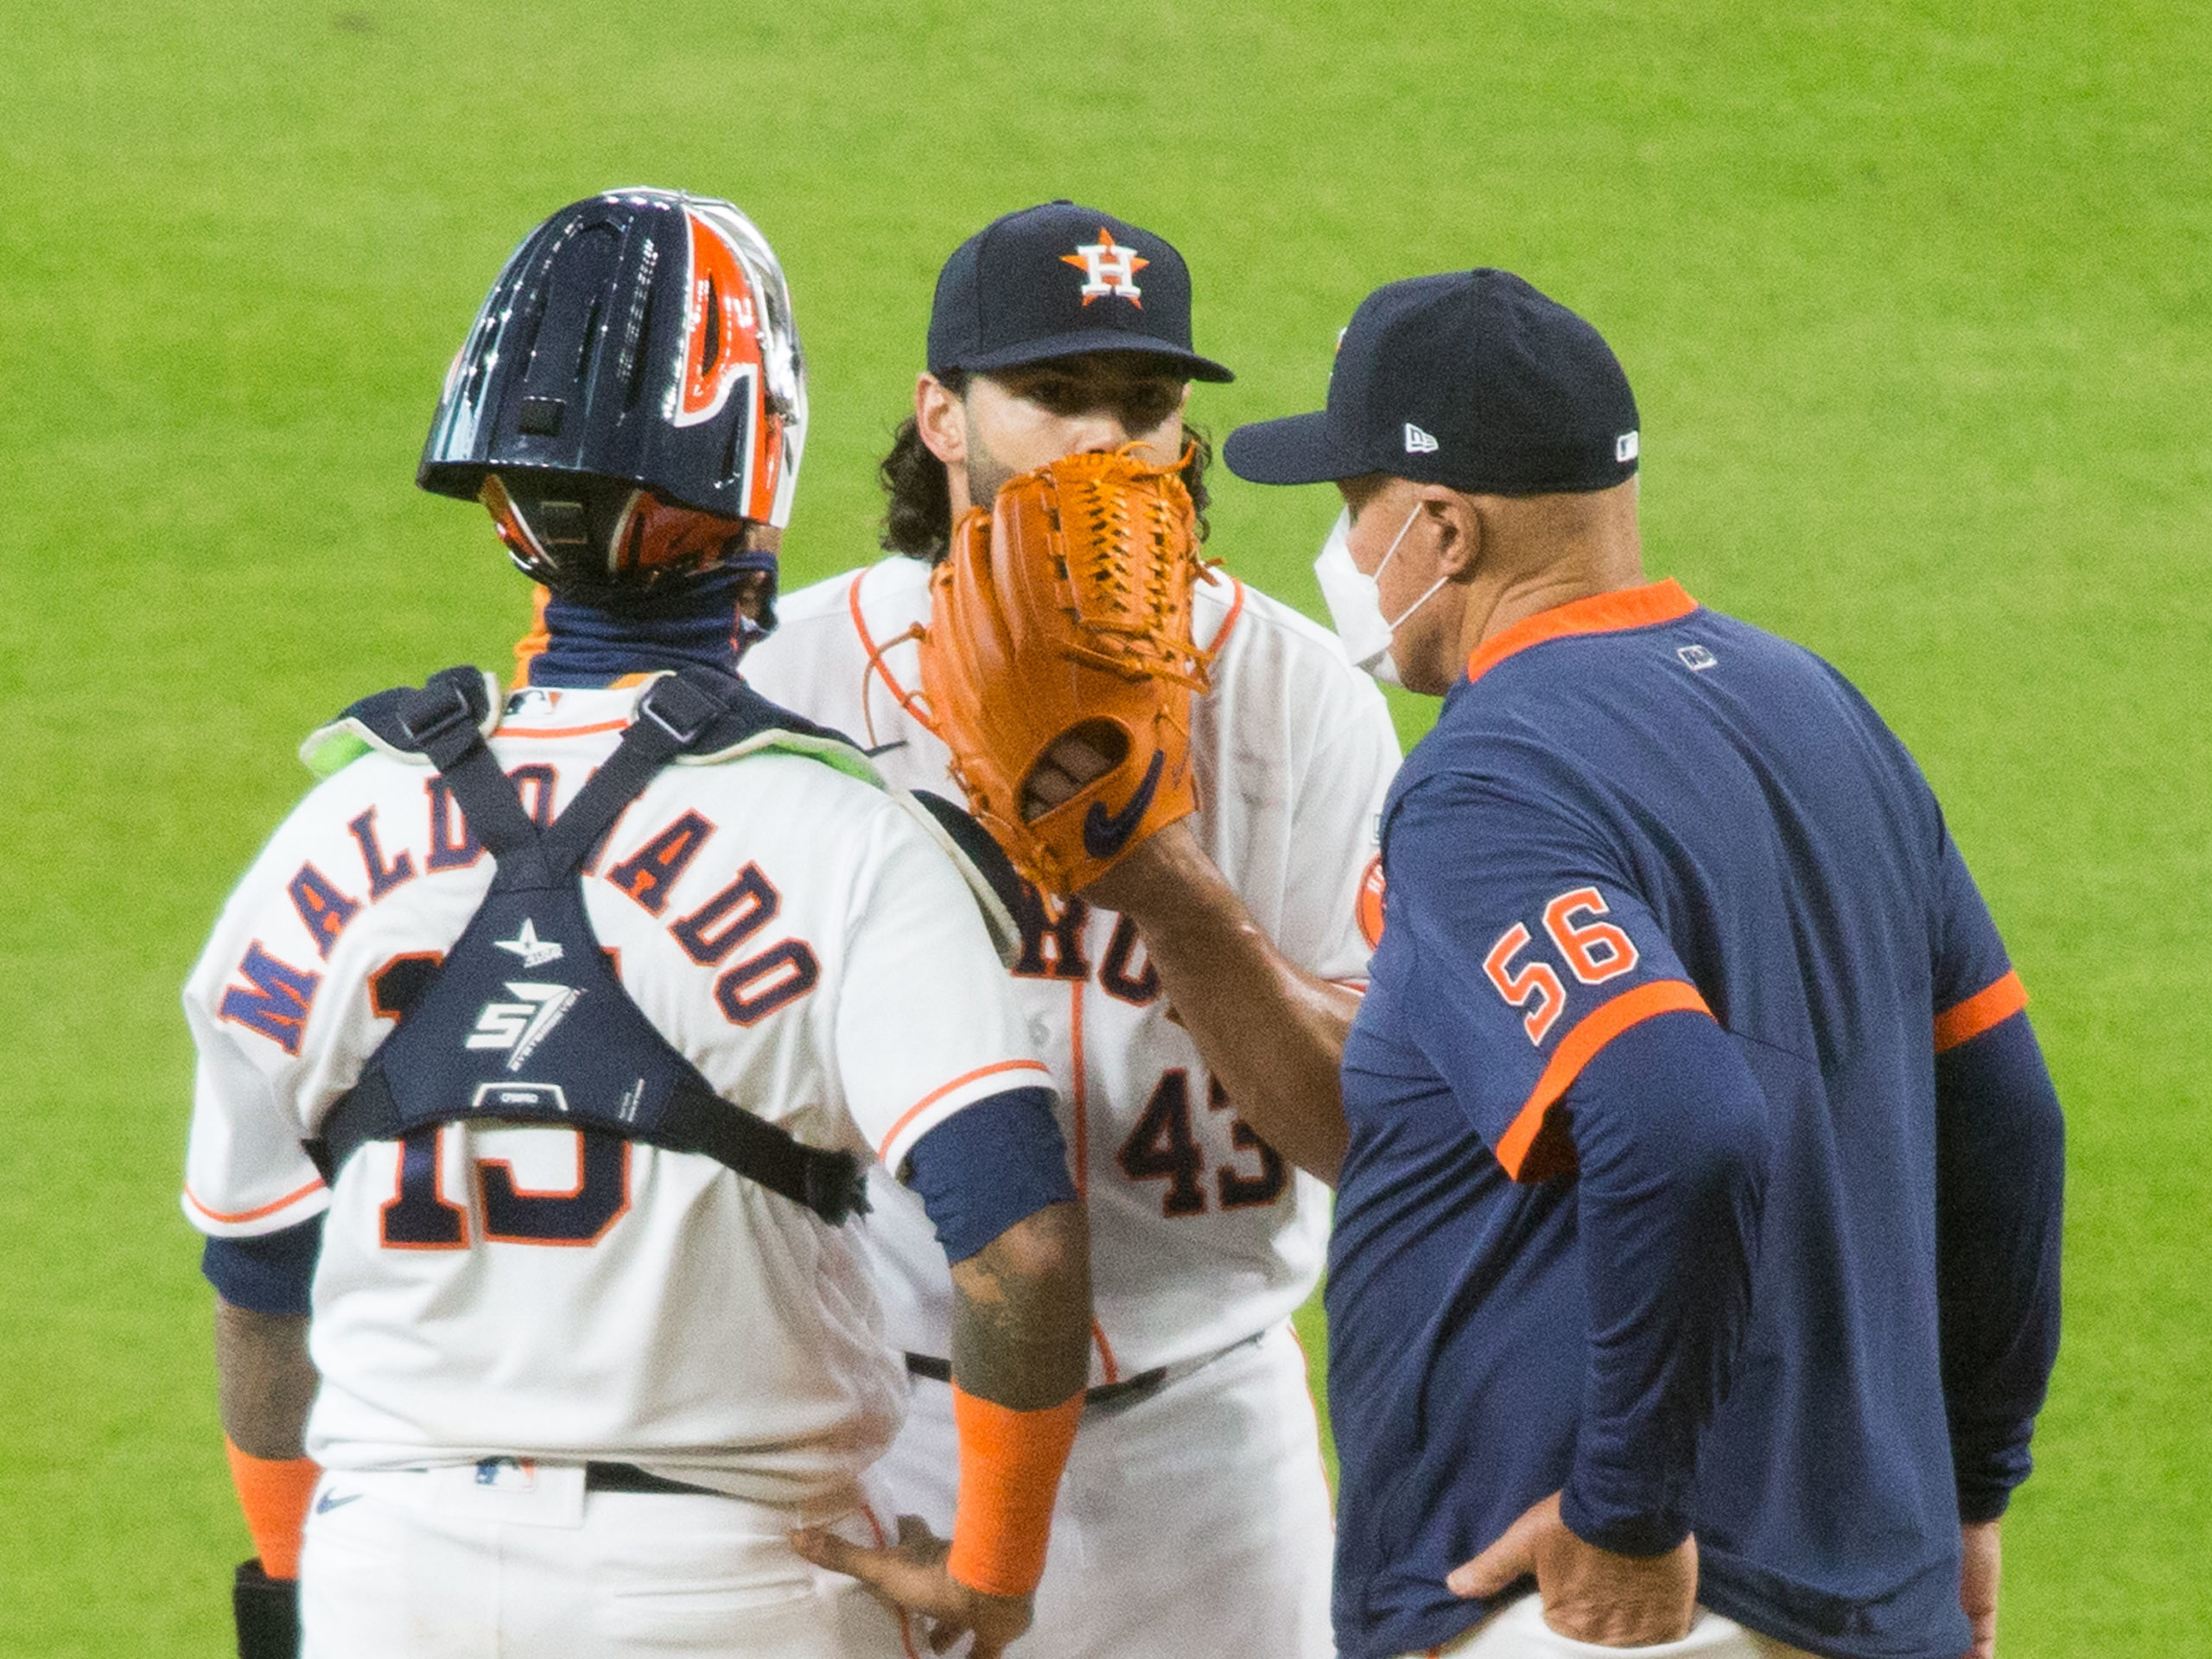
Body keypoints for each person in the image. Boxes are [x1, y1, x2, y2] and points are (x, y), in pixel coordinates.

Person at [181, 188, 1092, 1659]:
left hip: (386, 1573)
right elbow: (1023, 1257)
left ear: (504, 509)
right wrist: (993, 1571)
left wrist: (290, 1591)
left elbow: (256, 1282)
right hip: (720, 1585)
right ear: (759, 485)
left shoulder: (320, 840)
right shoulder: (845, 839)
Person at [1221, 269, 2064, 1659]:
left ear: (1440, 526)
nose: (1341, 543)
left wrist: (1623, 1508)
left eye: (1349, 503)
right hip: (1874, 1596)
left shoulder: (1489, 778)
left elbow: (1681, 1121)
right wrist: (1977, 1488)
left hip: (1617, 1616)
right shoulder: (1819, 708)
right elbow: (2009, 1122)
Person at [738, 200, 1403, 1657]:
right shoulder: (781, 687)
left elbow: (1376, 1133)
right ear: (940, 417)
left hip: (1206, 1445)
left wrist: (1177, 892)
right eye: (1051, 397)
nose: (1105, 445)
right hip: (876, 1432)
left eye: (1147, 405)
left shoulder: (1298, 695)